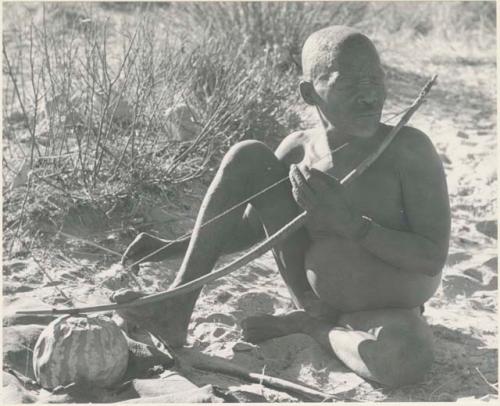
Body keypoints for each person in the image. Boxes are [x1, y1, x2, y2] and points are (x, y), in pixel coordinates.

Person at [113, 25, 451, 388]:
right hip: (314, 296)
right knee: (247, 157)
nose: (370, 96)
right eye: (349, 83)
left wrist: (353, 225)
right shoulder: (298, 152)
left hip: (389, 312)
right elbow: (252, 229)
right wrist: (175, 248)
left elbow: (431, 257)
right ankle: (176, 305)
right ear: (310, 92)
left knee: (404, 360)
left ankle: (312, 328)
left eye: (376, 79)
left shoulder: (408, 149)